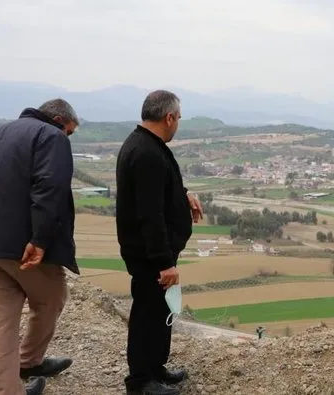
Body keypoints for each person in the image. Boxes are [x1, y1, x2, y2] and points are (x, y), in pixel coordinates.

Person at [0, 99, 80, 395]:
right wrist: (40, 240)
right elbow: (50, 187)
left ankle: (8, 389)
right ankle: (29, 361)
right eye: (70, 132)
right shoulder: (51, 136)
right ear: (60, 120)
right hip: (22, 246)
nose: (68, 138)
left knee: (1, 317)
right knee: (51, 298)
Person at [116, 90, 203, 395]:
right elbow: (149, 214)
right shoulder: (147, 153)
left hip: (153, 253)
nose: (178, 123)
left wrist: (184, 194)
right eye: (178, 118)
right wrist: (164, 262)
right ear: (168, 117)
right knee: (146, 314)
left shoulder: (147, 145)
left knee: (158, 311)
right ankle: (140, 381)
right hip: (150, 255)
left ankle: (155, 369)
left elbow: (162, 188)